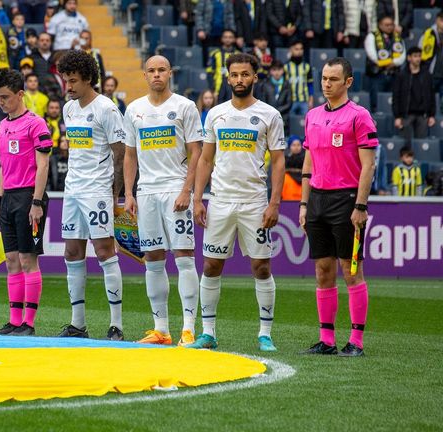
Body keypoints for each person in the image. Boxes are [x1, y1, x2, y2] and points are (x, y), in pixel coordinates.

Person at [191, 53, 286, 352]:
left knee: (261, 266)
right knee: (211, 265)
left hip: (255, 202)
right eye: (235, 75)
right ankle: (207, 333)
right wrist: (197, 198)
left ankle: (265, 334)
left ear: (255, 77)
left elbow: (279, 162)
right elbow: (205, 159)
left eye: (245, 74)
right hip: (220, 200)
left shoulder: (270, 115)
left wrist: (274, 204)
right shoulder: (215, 113)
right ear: (228, 77)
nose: (240, 80)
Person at [299, 57, 378, 357]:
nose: (327, 84)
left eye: (333, 79)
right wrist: (304, 204)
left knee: (351, 269)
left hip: (346, 200)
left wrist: (361, 205)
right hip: (318, 200)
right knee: (322, 270)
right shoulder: (312, 116)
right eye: (323, 78)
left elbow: (368, 166)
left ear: (348, 82)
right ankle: (327, 340)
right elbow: (308, 162)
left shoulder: (359, 116)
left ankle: (356, 341)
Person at [122, 55, 203, 346]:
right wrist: (129, 193)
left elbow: (197, 152)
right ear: (145, 75)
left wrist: (187, 191)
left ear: (170, 73)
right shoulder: (134, 109)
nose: (156, 75)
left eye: (161, 70)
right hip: (146, 193)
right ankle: (162, 330)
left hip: (174, 191)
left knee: (183, 256)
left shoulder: (184, 106)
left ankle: (189, 328)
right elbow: (130, 154)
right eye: (151, 71)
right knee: (153, 260)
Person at [56, 50, 126, 341]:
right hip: (72, 189)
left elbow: (120, 155)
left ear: (88, 79)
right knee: (72, 252)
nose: (68, 87)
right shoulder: (68, 108)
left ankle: (116, 325)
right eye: (65, 81)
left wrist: (115, 195)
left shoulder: (106, 109)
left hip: (97, 189)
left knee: (104, 252)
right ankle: (78, 324)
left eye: (73, 81)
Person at [0, 69, 52, 336]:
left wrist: (37, 202)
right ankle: (14, 320)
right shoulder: (3, 125)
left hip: (29, 197)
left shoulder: (36, 124)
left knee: (28, 260)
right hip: (9, 199)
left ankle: (29, 322)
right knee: (11, 260)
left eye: (5, 97)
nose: (1, 102)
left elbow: (43, 164)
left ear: (20, 94)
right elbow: (3, 165)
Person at [393, 47, 436, 145]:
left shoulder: (426, 75)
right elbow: (396, 97)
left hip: (423, 115)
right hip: (406, 115)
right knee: (406, 145)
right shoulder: (401, 75)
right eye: (415, 56)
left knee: (421, 145)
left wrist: (432, 115)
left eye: (419, 56)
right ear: (409, 58)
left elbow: (431, 95)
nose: (418, 59)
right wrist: (397, 116)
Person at [364, 15, 405, 111]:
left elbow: (402, 55)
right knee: (377, 102)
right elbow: (372, 55)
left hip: (394, 74)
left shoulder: (397, 37)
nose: (389, 27)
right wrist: (387, 63)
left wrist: (393, 63)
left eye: (391, 25)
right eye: (386, 25)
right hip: (378, 74)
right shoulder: (372, 36)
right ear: (380, 25)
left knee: (393, 101)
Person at [284, 40, 313, 115]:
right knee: (290, 125)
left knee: (304, 125)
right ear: (291, 50)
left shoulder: (307, 66)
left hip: (304, 101)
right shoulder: (286, 67)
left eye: (301, 49)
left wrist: (311, 100)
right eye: (296, 49)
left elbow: (310, 84)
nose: (299, 51)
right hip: (290, 101)